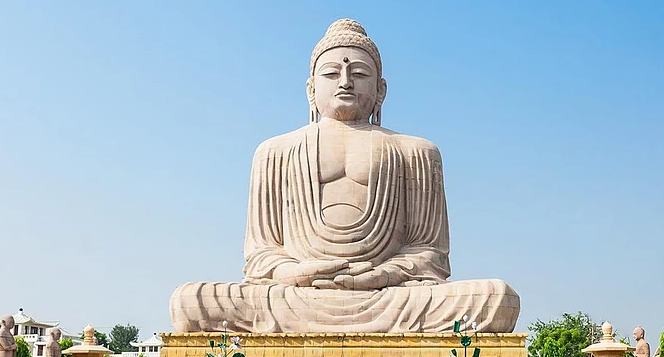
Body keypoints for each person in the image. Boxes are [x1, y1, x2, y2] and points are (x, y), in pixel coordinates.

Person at [170, 19, 520, 333]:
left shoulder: (416, 151)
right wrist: (295, 273)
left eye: (360, 74)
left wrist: (383, 275)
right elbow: (261, 255)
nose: (346, 82)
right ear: (310, 89)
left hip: (389, 296)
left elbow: (430, 253)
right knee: (189, 301)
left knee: (496, 298)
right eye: (331, 73)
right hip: (297, 294)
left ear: (381, 90)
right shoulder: (274, 152)